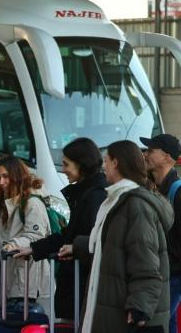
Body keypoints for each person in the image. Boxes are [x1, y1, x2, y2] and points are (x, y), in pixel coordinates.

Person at [59, 140, 173, 333]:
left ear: (116, 162)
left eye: (106, 160)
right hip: (114, 309)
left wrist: (139, 307)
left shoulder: (135, 205)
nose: (103, 166)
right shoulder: (118, 200)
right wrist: (77, 246)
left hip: (127, 317)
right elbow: (113, 244)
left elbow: (145, 261)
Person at [11, 137, 107, 319]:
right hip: (77, 286)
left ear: (82, 164)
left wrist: (72, 248)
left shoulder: (94, 196)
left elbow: (84, 239)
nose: (64, 170)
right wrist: (34, 248)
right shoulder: (86, 193)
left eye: (66, 164)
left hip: (83, 286)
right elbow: (68, 235)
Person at [0, 156, 50, 310]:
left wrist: (11, 245)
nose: (1, 182)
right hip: (12, 274)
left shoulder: (33, 202)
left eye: (5, 176)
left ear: (16, 176)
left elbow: (36, 236)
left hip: (28, 278)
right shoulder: (8, 201)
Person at [141, 133, 181, 333]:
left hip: (172, 275)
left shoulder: (177, 191)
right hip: (163, 273)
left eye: (150, 150)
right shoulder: (156, 189)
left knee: (156, 323)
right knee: (167, 324)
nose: (145, 154)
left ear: (167, 156)